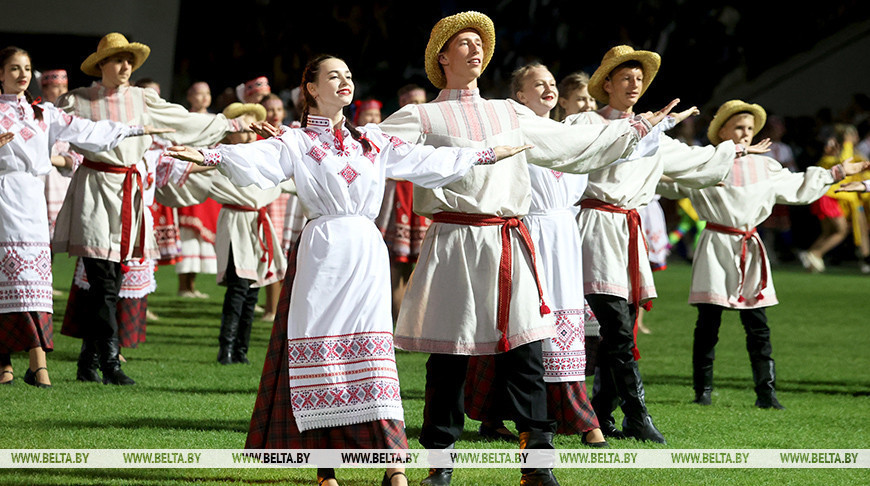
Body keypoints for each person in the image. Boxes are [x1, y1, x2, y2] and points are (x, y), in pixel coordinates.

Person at [168, 54, 530, 486]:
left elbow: (428, 160)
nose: (345, 81)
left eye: (349, 75)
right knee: (322, 353)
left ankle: (394, 465)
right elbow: (258, 160)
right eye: (333, 76)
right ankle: (326, 469)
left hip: (366, 252)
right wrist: (210, 156)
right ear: (312, 89)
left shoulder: (374, 141)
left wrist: (487, 154)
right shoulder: (297, 141)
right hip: (323, 252)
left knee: (373, 355)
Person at [378, 13, 681, 485]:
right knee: (450, 355)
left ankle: (537, 462)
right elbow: (374, 150)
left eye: (481, 42)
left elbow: (569, 144)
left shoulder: (507, 112)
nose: (477, 49)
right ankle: (439, 460)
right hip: (455, 238)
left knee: (526, 350)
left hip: (507, 238)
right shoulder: (423, 115)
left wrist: (634, 129)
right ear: (442, 56)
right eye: (464, 43)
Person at [567, 45, 751, 444]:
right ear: (608, 84)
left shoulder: (652, 134)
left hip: (628, 234)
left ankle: (601, 415)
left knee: (624, 327)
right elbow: (570, 154)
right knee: (615, 326)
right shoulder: (586, 122)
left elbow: (692, 160)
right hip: (596, 227)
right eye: (626, 78)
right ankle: (636, 415)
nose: (634, 84)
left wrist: (730, 149)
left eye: (639, 79)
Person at [52, 32, 247, 385]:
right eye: (117, 59)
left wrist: (228, 124)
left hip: (129, 191)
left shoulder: (141, 98)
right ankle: (109, 362)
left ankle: (87, 361)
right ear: (101, 65)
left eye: (130, 60)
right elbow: (43, 125)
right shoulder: (78, 100)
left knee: (114, 277)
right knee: (102, 277)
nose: (125, 66)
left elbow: (183, 119)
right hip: (96, 187)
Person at [657, 100, 869, 408]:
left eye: (749, 129)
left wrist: (836, 172)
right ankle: (702, 393)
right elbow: (669, 181)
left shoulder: (765, 166)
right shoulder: (705, 162)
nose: (745, 134)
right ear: (722, 131)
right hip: (716, 244)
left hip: (748, 244)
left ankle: (766, 394)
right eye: (738, 128)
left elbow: (799, 185)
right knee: (708, 323)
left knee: (757, 324)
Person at [462, 62, 607, 447]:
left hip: (564, 235)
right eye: (537, 84)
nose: (548, 89)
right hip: (531, 232)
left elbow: (606, 149)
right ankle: (565, 417)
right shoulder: (513, 128)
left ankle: (558, 413)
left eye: (552, 83)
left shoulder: (566, 134)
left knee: (562, 325)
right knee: (523, 324)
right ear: (520, 95)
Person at [0, 46, 156, 388]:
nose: (22, 74)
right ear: (0, 74)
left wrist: (133, 130)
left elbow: (84, 129)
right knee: (5, 282)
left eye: (26, 68)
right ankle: (6, 363)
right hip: (2, 196)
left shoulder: (42, 113)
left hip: (31, 201)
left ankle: (37, 362)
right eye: (13, 69)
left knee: (32, 285)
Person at [160, 102, 293, 366]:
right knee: (238, 287)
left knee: (253, 289)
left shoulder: (263, 157)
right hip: (235, 223)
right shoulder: (220, 159)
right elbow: (189, 177)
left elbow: (292, 178)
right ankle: (227, 348)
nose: (245, 134)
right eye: (241, 128)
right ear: (230, 131)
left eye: (250, 128)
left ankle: (241, 349)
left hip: (258, 223)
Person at [376, 84, 431, 322]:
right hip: (400, 196)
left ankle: (418, 326)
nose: (418, 107)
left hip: (423, 197)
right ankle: (400, 325)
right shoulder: (394, 130)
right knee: (398, 265)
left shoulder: (432, 130)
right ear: (402, 104)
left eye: (421, 102)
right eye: (413, 102)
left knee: (423, 268)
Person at [801, 124, 870, 273]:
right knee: (841, 230)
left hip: (836, 198)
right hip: (829, 197)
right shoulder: (831, 158)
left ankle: (809, 258)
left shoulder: (853, 155)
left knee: (828, 232)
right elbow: (844, 163)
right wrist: (847, 143)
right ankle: (815, 254)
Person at [177, 81, 221, 298]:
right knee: (188, 233)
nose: (204, 98)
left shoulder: (216, 120)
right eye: (199, 94)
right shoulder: (184, 119)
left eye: (207, 93)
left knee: (203, 233)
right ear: (189, 96)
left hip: (209, 177)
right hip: (189, 175)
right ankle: (183, 285)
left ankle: (192, 285)